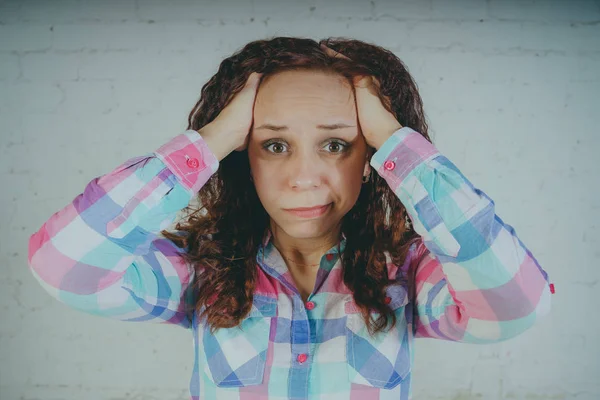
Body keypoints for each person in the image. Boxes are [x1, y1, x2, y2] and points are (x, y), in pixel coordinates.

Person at [28, 37, 552, 400]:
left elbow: (514, 307)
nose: (304, 178)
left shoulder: (408, 271)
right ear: (244, 155)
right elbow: (65, 267)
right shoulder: (203, 270)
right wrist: (211, 140)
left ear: (368, 156)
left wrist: (397, 141)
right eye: (274, 144)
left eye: (335, 144)